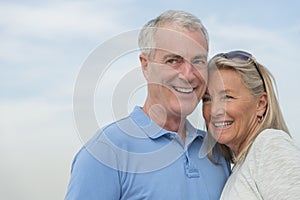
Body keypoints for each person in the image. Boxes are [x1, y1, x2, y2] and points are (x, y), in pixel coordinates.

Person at [65, 10, 230, 199]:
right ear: (146, 66)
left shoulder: (216, 152)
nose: (188, 74)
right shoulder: (105, 153)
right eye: (173, 60)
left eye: (198, 61)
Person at [202, 50, 300, 199]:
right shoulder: (240, 167)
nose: (214, 111)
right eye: (207, 99)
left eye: (227, 97)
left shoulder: (270, 147)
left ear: (261, 104)